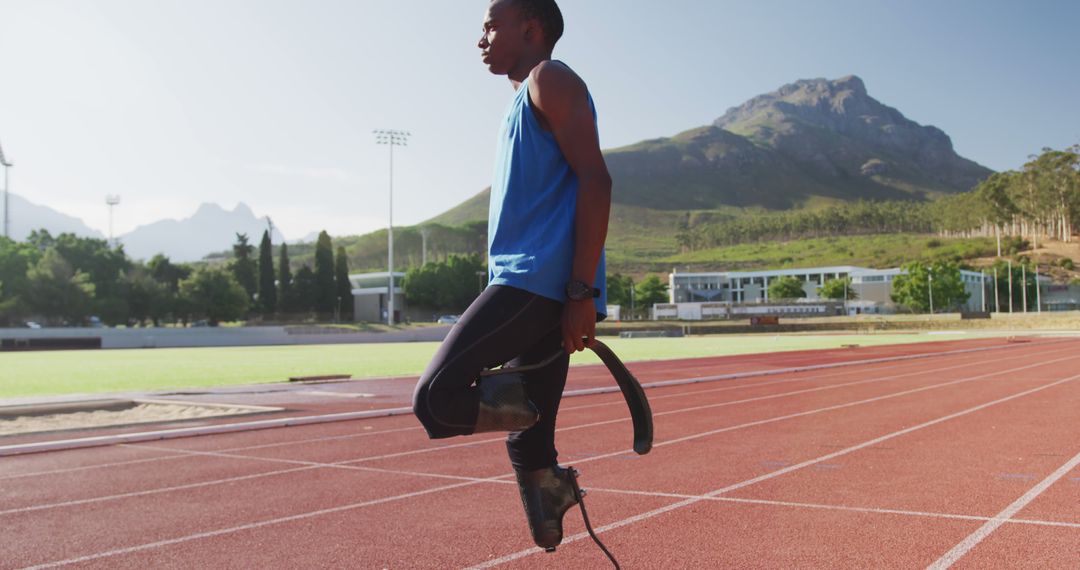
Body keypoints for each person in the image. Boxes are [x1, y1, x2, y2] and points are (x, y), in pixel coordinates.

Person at [411, 0, 611, 552]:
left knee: (435, 397)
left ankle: (537, 431)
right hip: (536, 284)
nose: (481, 38)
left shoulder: (551, 78)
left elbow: (597, 180)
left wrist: (580, 292)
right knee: (528, 443)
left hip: (537, 284)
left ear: (531, 27)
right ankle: (552, 494)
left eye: (490, 25)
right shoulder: (522, 100)